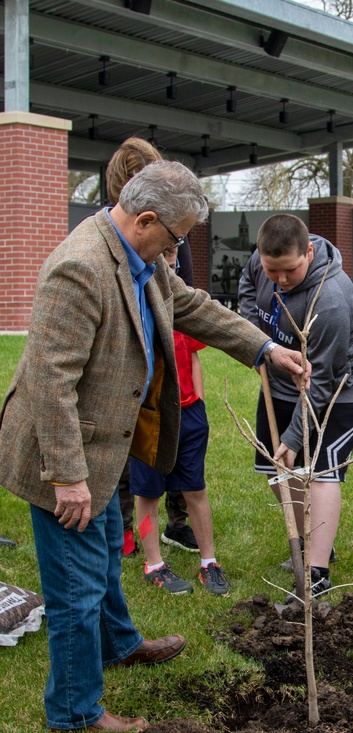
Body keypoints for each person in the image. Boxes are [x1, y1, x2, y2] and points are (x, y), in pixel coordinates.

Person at [0, 161, 308, 733]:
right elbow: (49, 382)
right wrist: (67, 476)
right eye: (176, 237)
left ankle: (119, 644)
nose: (179, 249)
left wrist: (266, 349)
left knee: (107, 556)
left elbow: (191, 305)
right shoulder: (80, 268)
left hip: (113, 438)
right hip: (67, 452)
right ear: (145, 220)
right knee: (76, 587)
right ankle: (74, 710)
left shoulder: (139, 258)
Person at [239, 214, 353, 598]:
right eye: (272, 270)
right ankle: (311, 542)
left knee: (321, 472)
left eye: (290, 270)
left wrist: (296, 436)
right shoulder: (261, 261)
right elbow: (249, 282)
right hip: (280, 377)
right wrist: (255, 338)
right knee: (275, 466)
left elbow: (322, 381)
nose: (279, 279)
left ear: (309, 252)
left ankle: (317, 571)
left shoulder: (328, 299)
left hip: (338, 388)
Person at [104, 137, 197, 559]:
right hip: (114, 394)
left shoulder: (163, 250)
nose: (171, 253)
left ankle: (175, 524)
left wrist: (263, 347)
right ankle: (125, 529)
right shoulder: (90, 259)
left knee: (168, 455)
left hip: (160, 378)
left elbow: (188, 302)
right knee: (129, 467)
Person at [130, 244, 230, 597]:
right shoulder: (138, 303)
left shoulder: (180, 305)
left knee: (195, 488)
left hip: (189, 414)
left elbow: (194, 359)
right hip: (149, 415)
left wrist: (198, 406)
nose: (169, 259)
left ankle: (209, 562)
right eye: (164, 251)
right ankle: (154, 564)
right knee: (148, 491)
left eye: (173, 252)